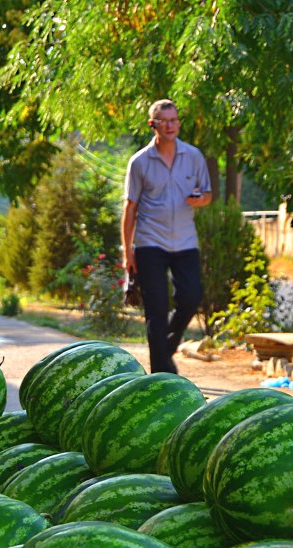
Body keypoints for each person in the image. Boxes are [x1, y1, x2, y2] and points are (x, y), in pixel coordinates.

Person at [122, 99, 212, 373]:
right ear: (153, 125)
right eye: (165, 121)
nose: (171, 125)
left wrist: (199, 201)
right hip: (150, 243)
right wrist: (128, 252)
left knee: (190, 297)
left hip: (185, 241)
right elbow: (130, 207)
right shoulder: (139, 162)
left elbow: (207, 194)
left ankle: (164, 350)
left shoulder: (194, 156)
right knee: (157, 310)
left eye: (175, 120)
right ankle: (162, 374)